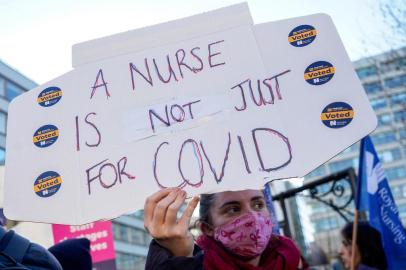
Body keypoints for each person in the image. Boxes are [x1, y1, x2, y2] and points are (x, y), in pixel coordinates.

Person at [144, 188, 308, 270]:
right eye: (233, 209)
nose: (252, 217)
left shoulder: (290, 257)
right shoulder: (198, 265)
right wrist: (178, 257)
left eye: (258, 205)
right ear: (207, 228)